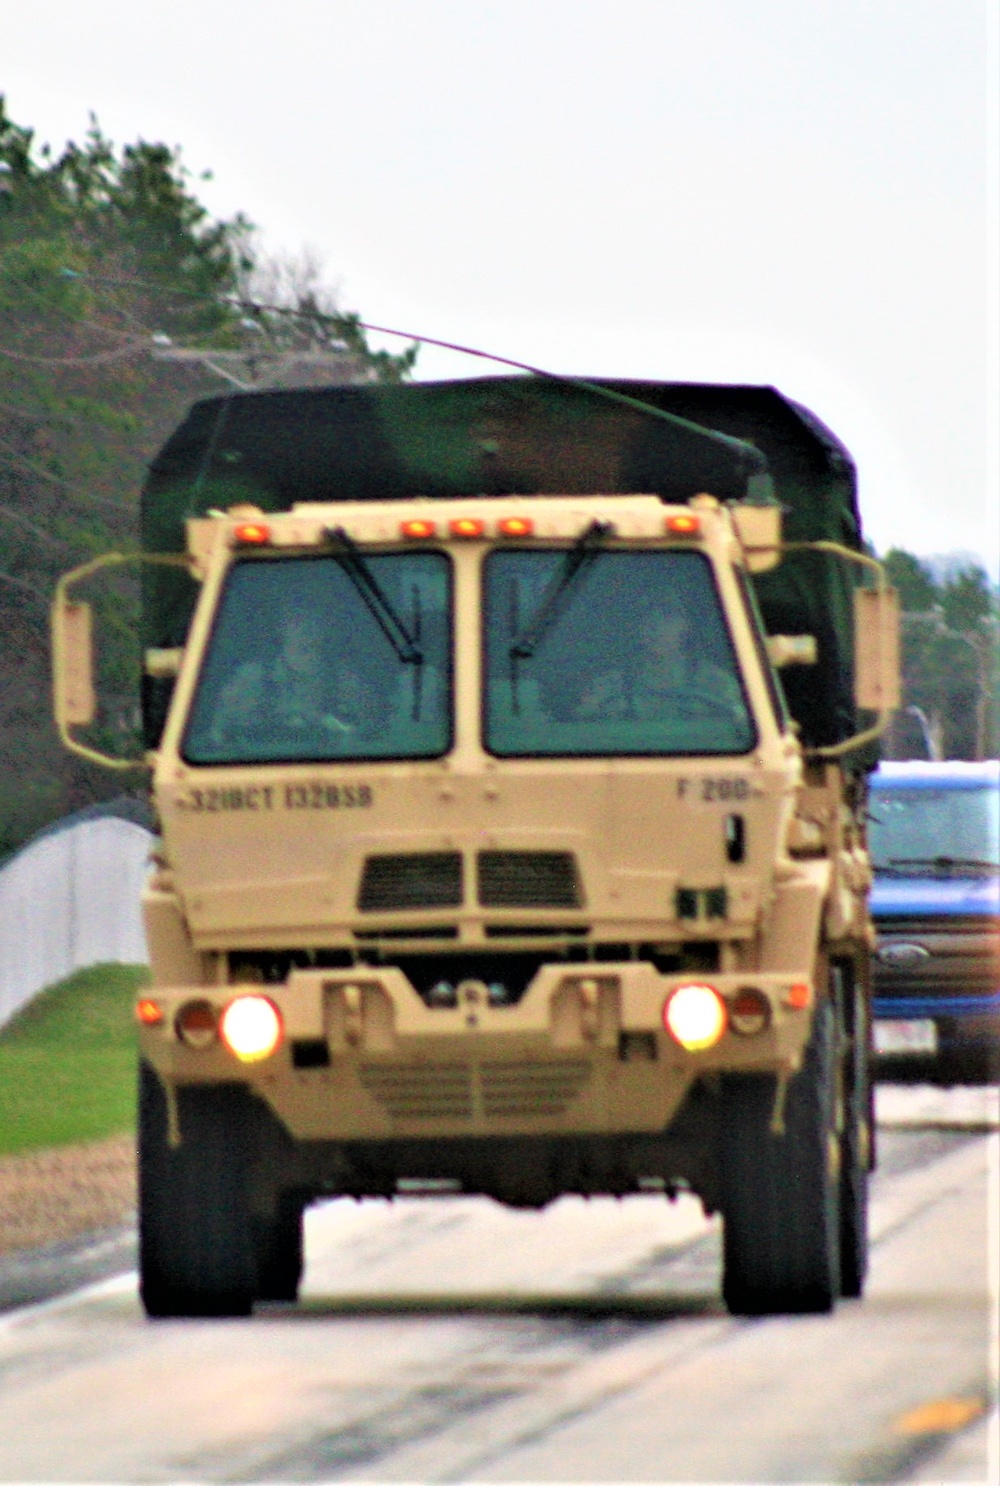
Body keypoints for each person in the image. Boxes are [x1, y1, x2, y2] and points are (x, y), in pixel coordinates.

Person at [208, 600, 378, 747]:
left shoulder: (345, 681)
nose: (305, 627)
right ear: (281, 627)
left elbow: (369, 734)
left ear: (324, 628)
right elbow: (221, 733)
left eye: (313, 620)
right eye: (296, 620)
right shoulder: (251, 679)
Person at [575, 601, 744, 721]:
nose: (656, 626)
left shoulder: (717, 684)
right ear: (637, 627)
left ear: (686, 625)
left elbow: (741, 727)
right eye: (647, 617)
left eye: (667, 616)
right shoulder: (609, 685)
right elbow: (581, 729)